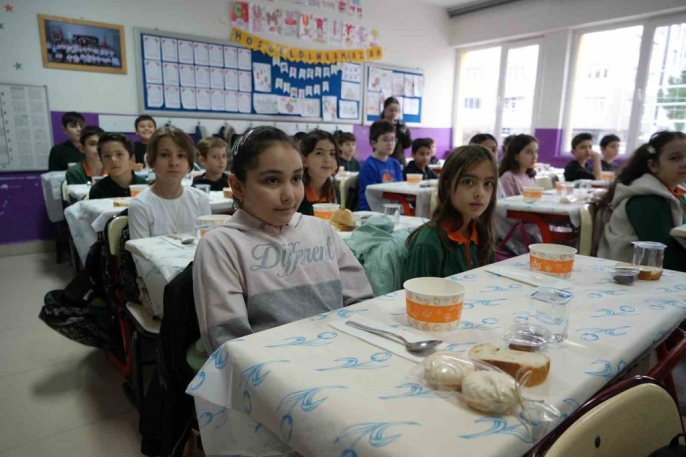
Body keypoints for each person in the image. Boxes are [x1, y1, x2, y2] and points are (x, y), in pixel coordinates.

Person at [192, 126, 373, 352]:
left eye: (296, 178)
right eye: (272, 180)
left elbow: (362, 303)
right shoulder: (221, 246)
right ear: (238, 187)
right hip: (270, 366)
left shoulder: (321, 230)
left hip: (342, 352)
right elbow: (229, 343)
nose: (289, 195)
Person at [403, 145, 497, 281]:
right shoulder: (429, 242)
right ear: (447, 186)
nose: (480, 193)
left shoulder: (482, 233)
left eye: (488, 183)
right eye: (468, 182)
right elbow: (416, 293)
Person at [598, 131, 686, 272]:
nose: (684, 163)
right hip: (630, 273)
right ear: (653, 165)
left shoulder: (677, 191)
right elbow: (666, 257)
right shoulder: (646, 199)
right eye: (675, 158)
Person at [129, 127, 211, 239]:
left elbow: (208, 243)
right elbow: (139, 250)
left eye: (181, 155)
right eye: (165, 155)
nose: (174, 163)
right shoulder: (141, 205)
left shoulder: (200, 199)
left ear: (189, 163)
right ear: (151, 161)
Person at [357, 120, 404, 211]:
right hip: (371, 211)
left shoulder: (395, 164)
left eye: (393, 139)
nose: (390, 143)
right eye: (385, 140)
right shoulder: (368, 166)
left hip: (392, 208)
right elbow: (373, 196)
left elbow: (401, 190)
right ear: (374, 143)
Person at [89, 133, 147, 199]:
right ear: (102, 161)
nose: (113, 160)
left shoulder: (145, 187)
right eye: (107, 156)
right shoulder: (97, 191)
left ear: (132, 159)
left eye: (119, 154)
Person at [297, 130, 340, 216]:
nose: (328, 160)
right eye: (319, 153)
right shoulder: (297, 192)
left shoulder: (334, 190)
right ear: (304, 161)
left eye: (332, 154)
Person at [381, 97, 412, 166]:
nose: (394, 113)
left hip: (399, 161)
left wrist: (405, 133)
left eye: (396, 111)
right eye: (391, 110)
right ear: (385, 110)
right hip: (384, 160)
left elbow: (407, 144)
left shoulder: (400, 125)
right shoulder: (379, 126)